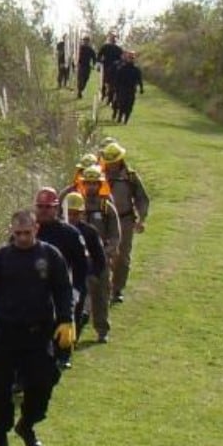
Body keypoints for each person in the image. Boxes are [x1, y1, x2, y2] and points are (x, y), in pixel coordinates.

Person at [0, 210, 75, 446]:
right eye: (17, 233)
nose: (22, 238)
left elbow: (63, 290)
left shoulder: (50, 256)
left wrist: (65, 321)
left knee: (43, 383)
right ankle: (0, 443)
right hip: (5, 333)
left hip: (38, 334)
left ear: (36, 230)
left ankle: (27, 425)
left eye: (27, 233)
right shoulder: (1, 259)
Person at [33, 186, 89, 369]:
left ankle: (63, 356)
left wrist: (77, 291)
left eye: (48, 207)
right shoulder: (28, 231)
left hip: (62, 288)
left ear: (56, 208)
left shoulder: (70, 234)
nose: (43, 210)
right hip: (34, 290)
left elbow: (82, 265)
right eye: (40, 206)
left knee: (63, 325)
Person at [72, 165, 120, 342]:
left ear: (100, 185)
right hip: (80, 260)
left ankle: (102, 329)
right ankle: (74, 334)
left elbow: (116, 235)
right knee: (78, 297)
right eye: (88, 183)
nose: (91, 187)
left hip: (101, 259)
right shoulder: (76, 205)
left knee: (101, 295)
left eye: (95, 183)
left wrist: (107, 253)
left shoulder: (107, 208)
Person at [101, 142, 150, 304]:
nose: (110, 164)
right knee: (103, 254)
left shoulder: (130, 177)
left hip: (125, 221)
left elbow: (142, 199)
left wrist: (141, 219)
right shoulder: (98, 175)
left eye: (113, 161)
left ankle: (117, 289)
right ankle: (102, 289)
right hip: (103, 220)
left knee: (122, 256)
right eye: (108, 161)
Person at [64, 192, 107, 345]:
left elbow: (100, 258)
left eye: (75, 214)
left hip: (86, 278)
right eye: (69, 213)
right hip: (65, 277)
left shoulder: (90, 232)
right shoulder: (58, 231)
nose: (72, 217)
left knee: (84, 308)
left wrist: (95, 275)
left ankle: (97, 331)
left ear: (82, 214)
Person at [111, 51, 144, 124]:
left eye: (132, 58)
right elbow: (117, 78)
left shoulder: (136, 69)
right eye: (129, 58)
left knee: (129, 105)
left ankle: (126, 119)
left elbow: (139, 79)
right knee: (121, 103)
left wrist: (141, 88)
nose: (131, 59)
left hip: (131, 89)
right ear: (127, 59)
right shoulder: (122, 68)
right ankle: (119, 117)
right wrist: (115, 87)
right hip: (122, 88)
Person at [97, 33, 124, 105]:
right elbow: (99, 55)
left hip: (113, 68)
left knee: (110, 84)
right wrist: (99, 63)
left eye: (113, 39)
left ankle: (109, 98)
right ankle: (104, 95)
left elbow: (121, 59)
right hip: (106, 66)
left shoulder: (118, 49)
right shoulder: (105, 47)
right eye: (112, 39)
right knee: (105, 82)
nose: (113, 41)